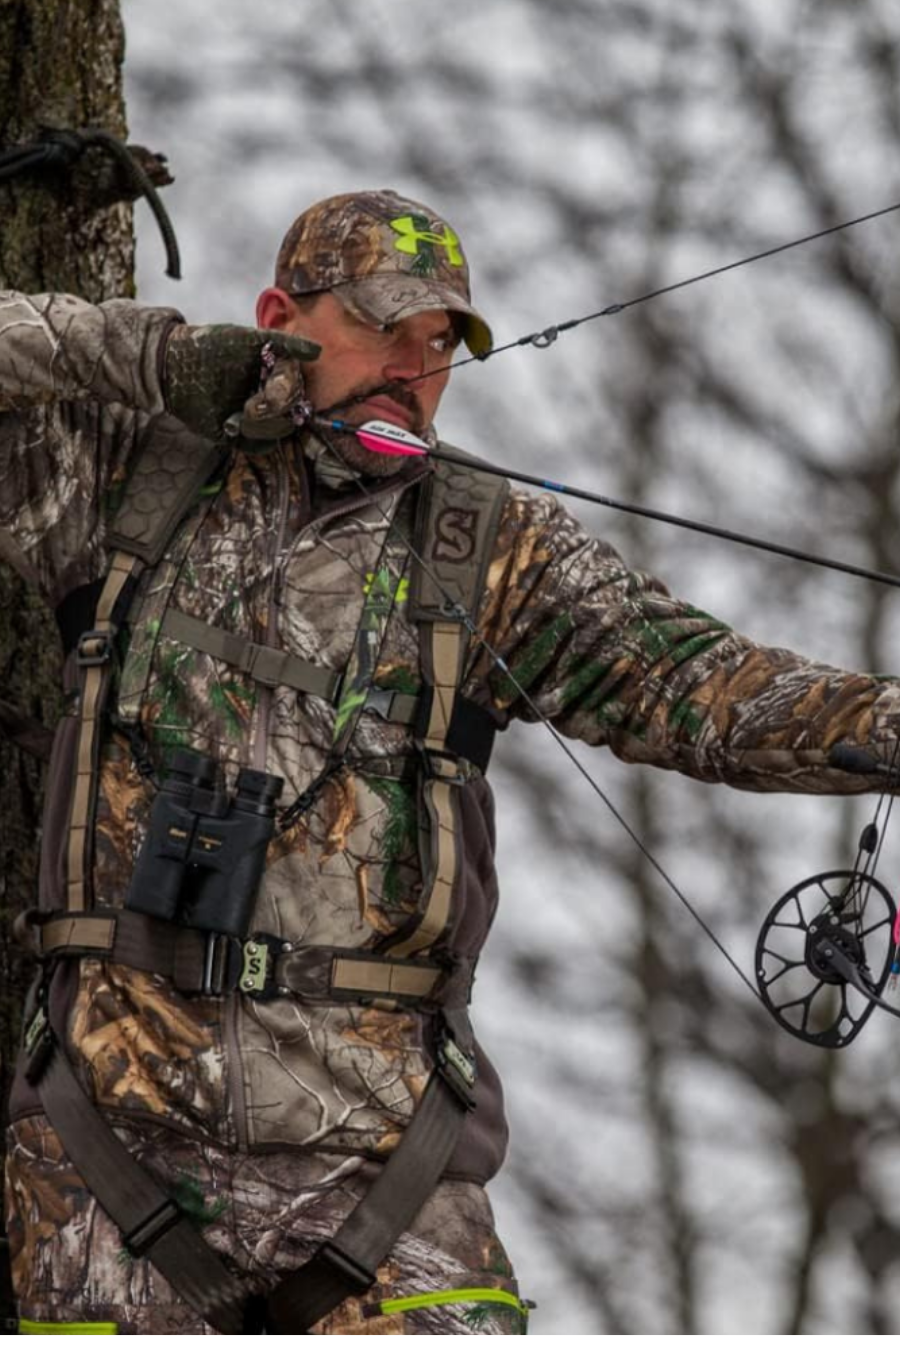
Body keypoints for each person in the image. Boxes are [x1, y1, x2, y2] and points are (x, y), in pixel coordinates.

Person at [1, 188, 897, 1337]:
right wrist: (153, 355)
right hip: (107, 1162)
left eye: (439, 345)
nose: (413, 369)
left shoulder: (489, 546)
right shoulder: (139, 471)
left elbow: (705, 689)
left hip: (386, 1176)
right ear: (282, 316)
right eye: (384, 327)